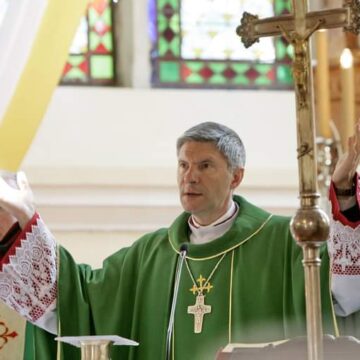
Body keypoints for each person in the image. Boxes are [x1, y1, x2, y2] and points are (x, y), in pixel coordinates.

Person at [0, 122, 360, 359]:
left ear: (236, 177)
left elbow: (344, 297)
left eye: (205, 166)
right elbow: (78, 301)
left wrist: (344, 192)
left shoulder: (288, 240)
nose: (190, 177)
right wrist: (19, 227)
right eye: (183, 165)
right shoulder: (152, 254)